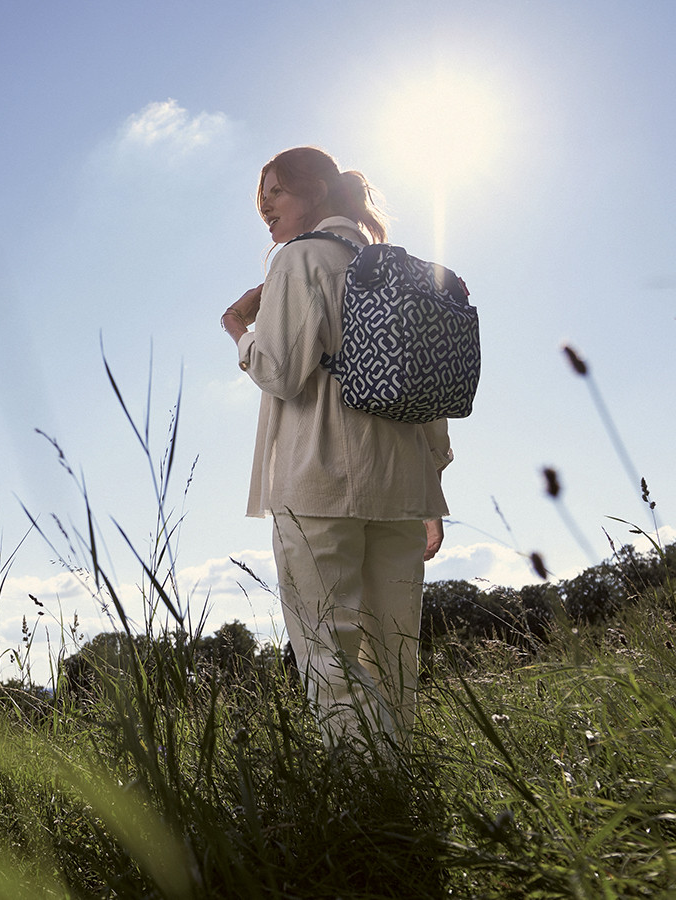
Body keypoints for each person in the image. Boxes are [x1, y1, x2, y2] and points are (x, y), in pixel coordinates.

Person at [221, 146, 452, 753]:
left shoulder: (299, 261)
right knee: (394, 654)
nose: (265, 207)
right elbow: (427, 397)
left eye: (276, 192)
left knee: (330, 651)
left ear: (317, 191)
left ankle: (362, 801)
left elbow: (280, 371)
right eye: (260, 197)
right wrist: (433, 495)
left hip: (319, 478)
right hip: (402, 485)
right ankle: (398, 792)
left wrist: (239, 331)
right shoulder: (399, 268)